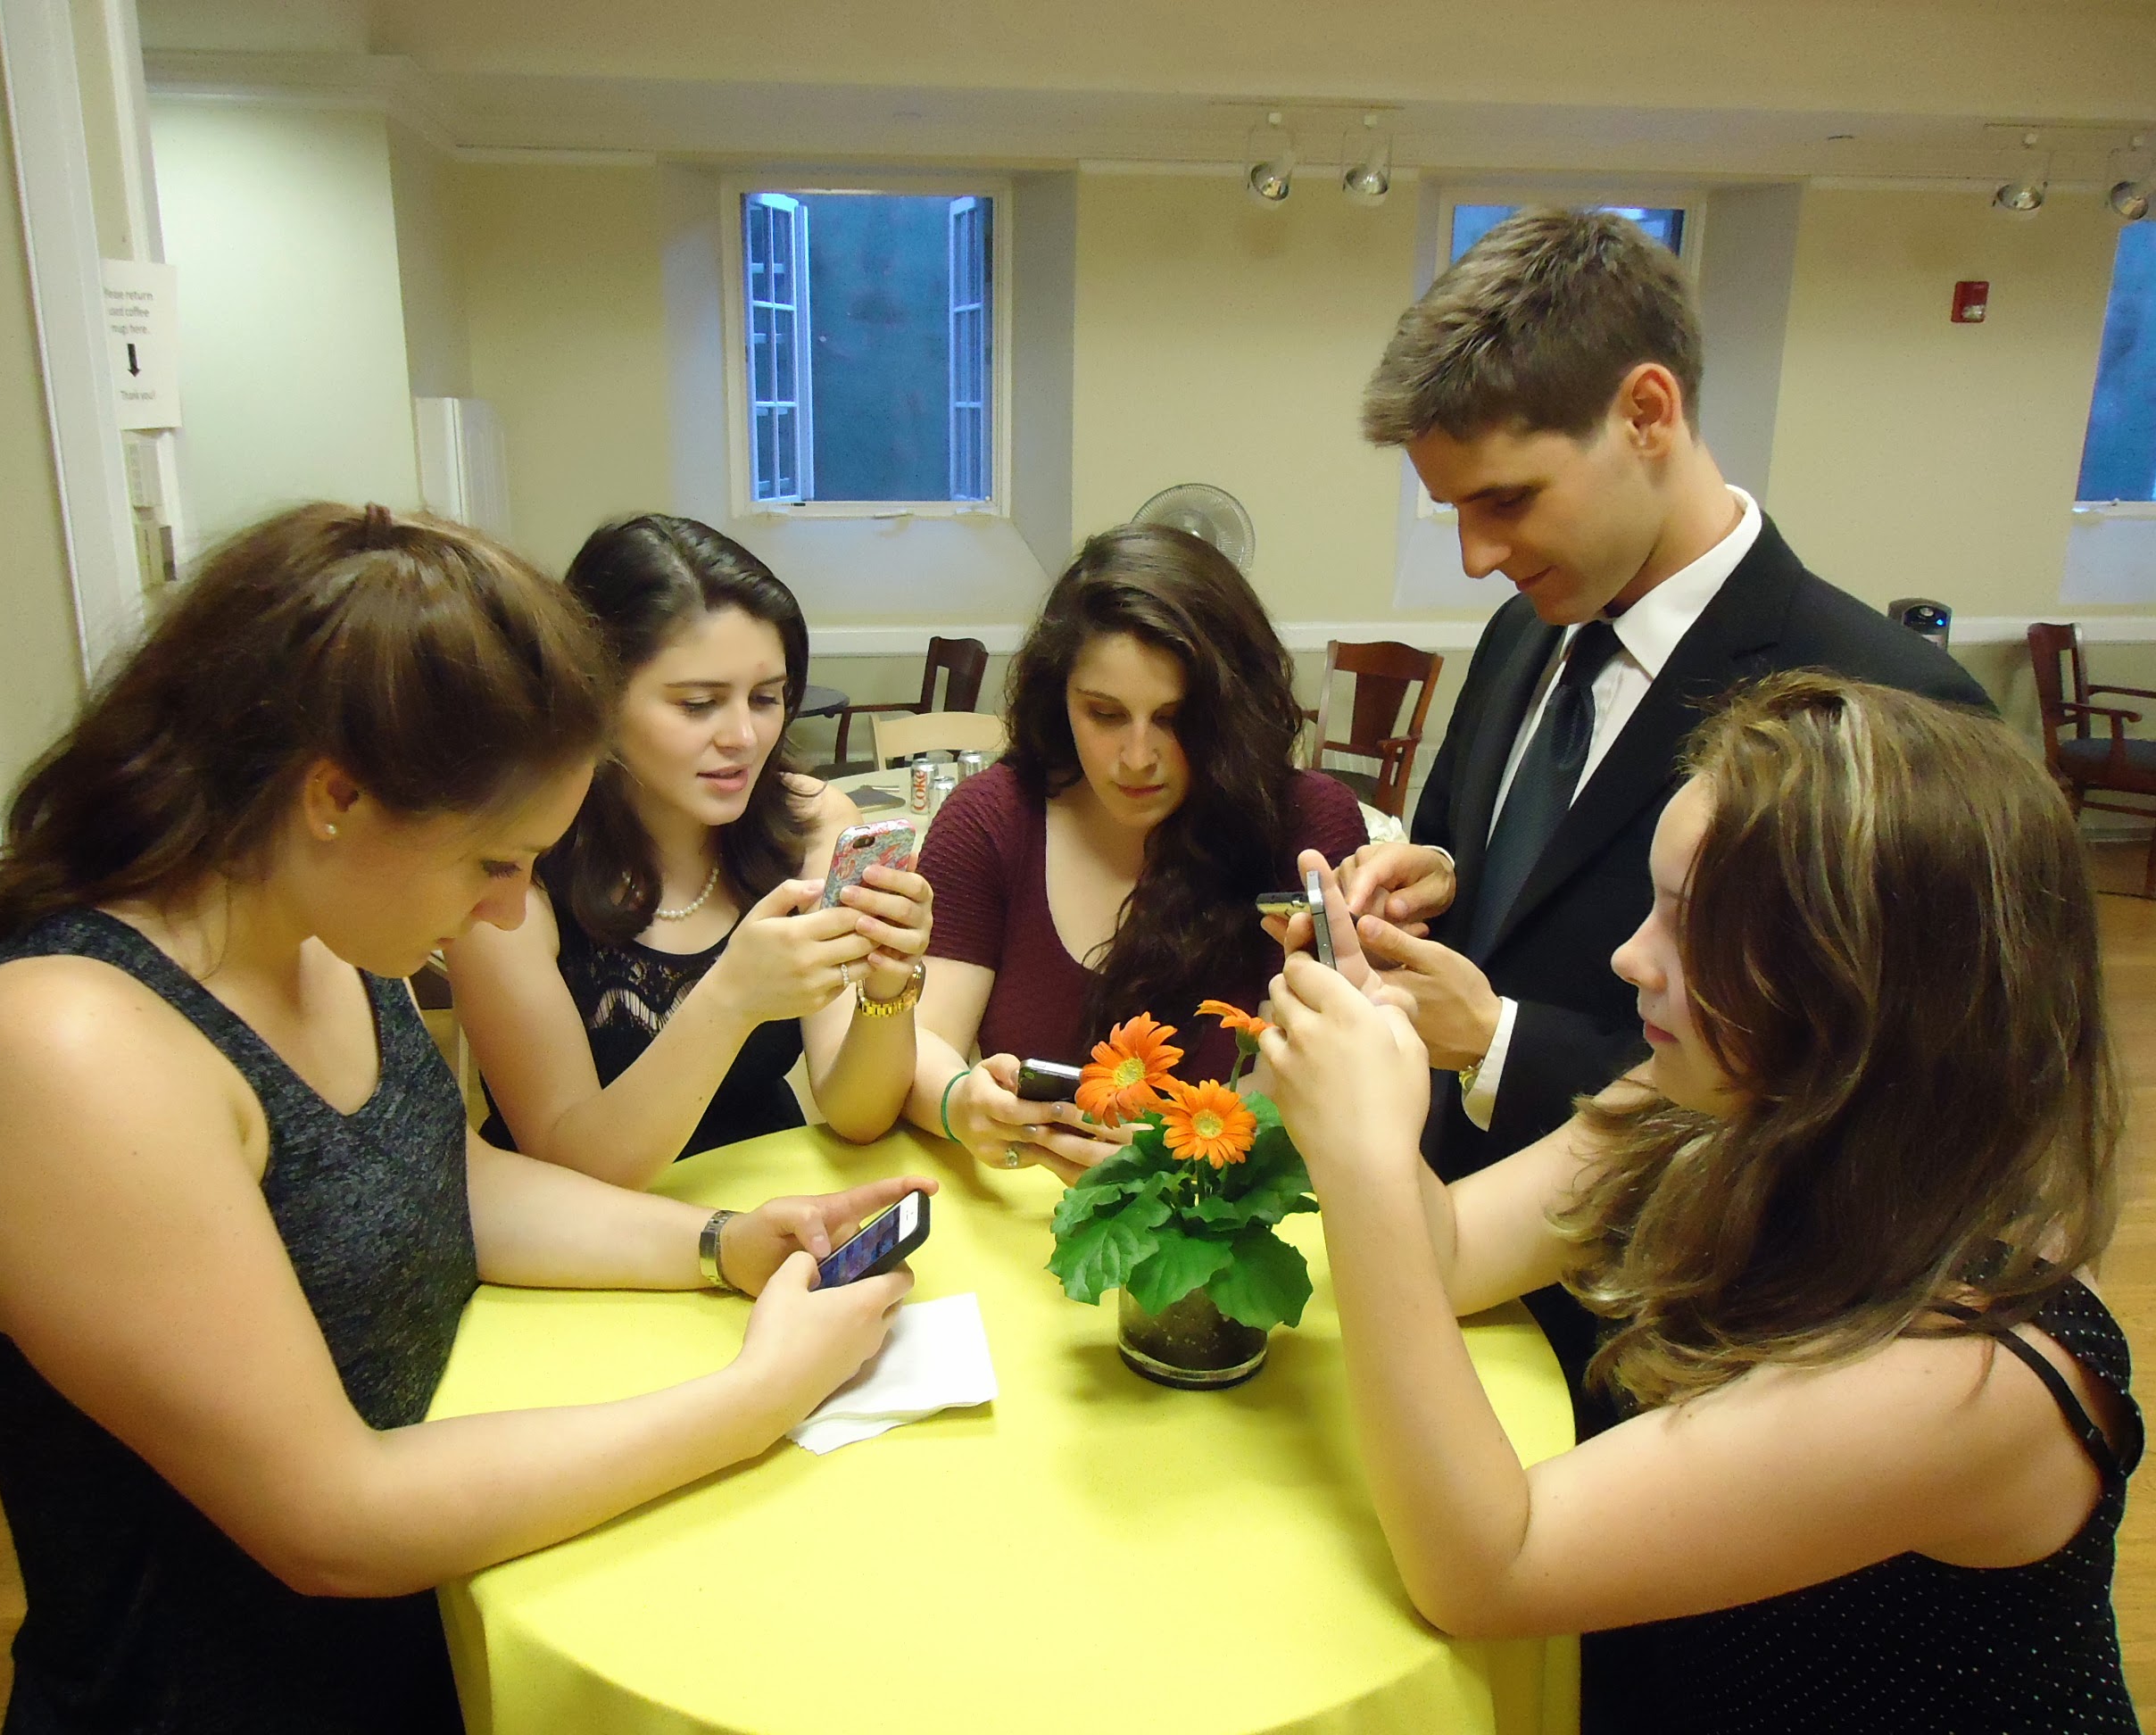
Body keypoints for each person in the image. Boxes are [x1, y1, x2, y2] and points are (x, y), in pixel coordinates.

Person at [0, 502, 929, 1735]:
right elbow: (333, 1520)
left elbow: (443, 1182)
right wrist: (756, 1398)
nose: (505, 916)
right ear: (333, 796)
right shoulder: (63, 1051)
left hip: (441, 1631)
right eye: (492, 863)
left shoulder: (326, 936)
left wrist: (722, 1244)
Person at [1265, 673, 2138, 1734]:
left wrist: (1361, 1158)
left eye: (1693, 926)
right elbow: (1448, 1255)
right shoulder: (1726, 1095)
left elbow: (1489, 1571)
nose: (1631, 957)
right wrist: (1362, 1056)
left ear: (1859, 982)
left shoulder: (1976, 1365)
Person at [1302, 208, 1990, 1400]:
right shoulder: (1528, 630)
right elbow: (1507, 881)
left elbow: (1866, 1108)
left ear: (1647, 414)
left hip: (1689, 1346)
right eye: (1452, 511)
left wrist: (1502, 1041)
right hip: (1452, 1269)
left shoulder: (1887, 707)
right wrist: (1432, 891)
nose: (1474, 556)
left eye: (1507, 500)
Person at [444, 515, 932, 1187]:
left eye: (766, 698)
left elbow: (856, 1113)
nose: (743, 736)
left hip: (771, 1196)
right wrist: (730, 997)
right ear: (598, 698)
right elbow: (570, 1162)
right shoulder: (511, 873)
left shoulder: (815, 825)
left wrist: (889, 983)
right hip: (591, 1241)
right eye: (698, 704)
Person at [908, 523, 1368, 1180]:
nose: (1138, 758)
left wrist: (1174, 1159)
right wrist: (961, 1104)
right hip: (1025, 1226)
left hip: (1231, 1233)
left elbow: (1313, 1088)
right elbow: (924, 1044)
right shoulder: (993, 818)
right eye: (1104, 713)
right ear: (1058, 697)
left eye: (1177, 719)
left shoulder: (1305, 824)